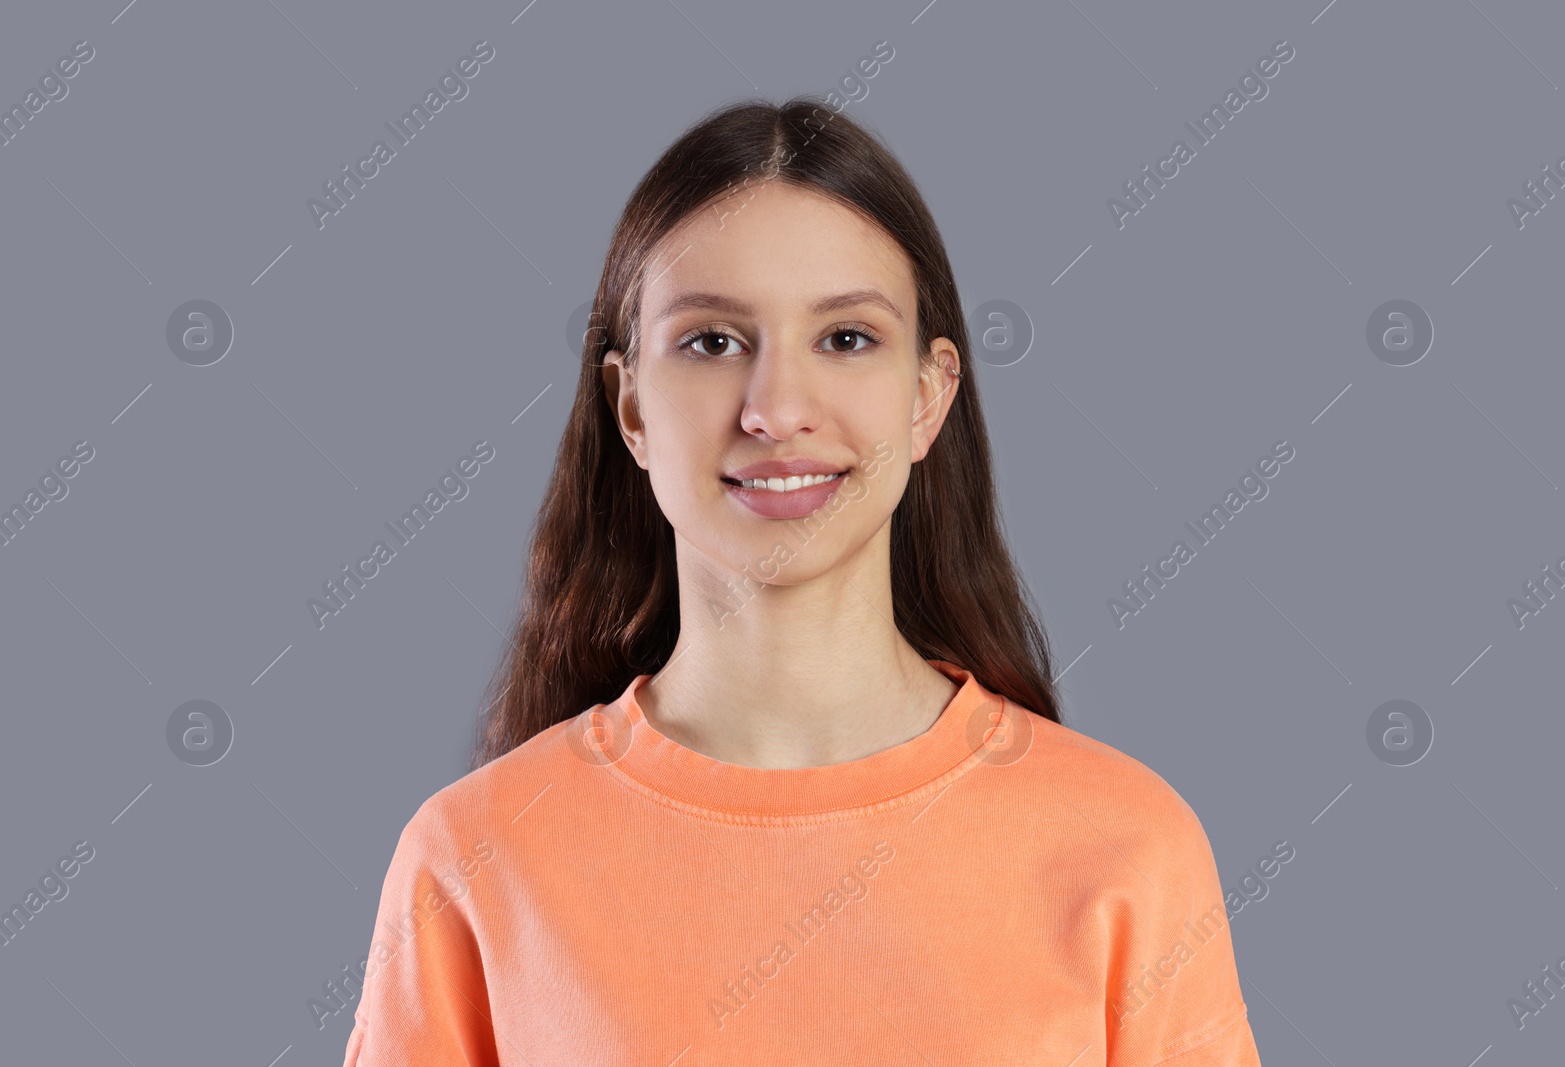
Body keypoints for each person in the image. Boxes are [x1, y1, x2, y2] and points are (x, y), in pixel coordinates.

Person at [342, 96, 1262, 1066]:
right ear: (632, 408)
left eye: (846, 338)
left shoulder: (1125, 845)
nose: (777, 408)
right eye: (711, 341)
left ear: (926, 395)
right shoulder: (475, 857)